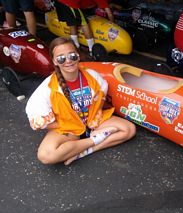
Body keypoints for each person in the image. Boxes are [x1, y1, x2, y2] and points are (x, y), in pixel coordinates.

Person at [25, 37, 136, 165]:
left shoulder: (92, 76)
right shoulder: (48, 87)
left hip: (93, 121)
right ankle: (95, 140)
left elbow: (102, 93)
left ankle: (83, 152)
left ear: (78, 56)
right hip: (69, 129)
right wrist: (60, 124)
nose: (68, 61)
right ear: (55, 61)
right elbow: (35, 113)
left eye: (72, 55)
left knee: (129, 130)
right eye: (61, 58)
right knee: (46, 155)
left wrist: (98, 111)